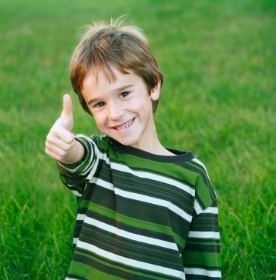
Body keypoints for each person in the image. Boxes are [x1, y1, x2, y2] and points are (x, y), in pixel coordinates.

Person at [45, 18, 221, 280]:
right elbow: (78, 158)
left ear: (154, 86)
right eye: (99, 104)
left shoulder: (192, 177)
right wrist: (66, 147)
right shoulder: (100, 158)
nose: (114, 113)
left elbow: (203, 269)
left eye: (124, 94)